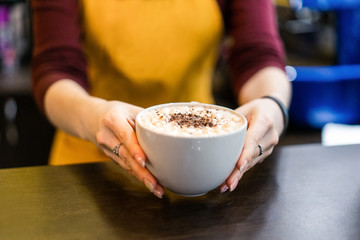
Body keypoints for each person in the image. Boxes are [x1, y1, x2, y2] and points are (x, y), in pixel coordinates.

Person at [31, 0, 291, 198]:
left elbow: (258, 57)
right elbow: (55, 69)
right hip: (89, 170)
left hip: (204, 166)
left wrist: (272, 105)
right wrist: (94, 117)